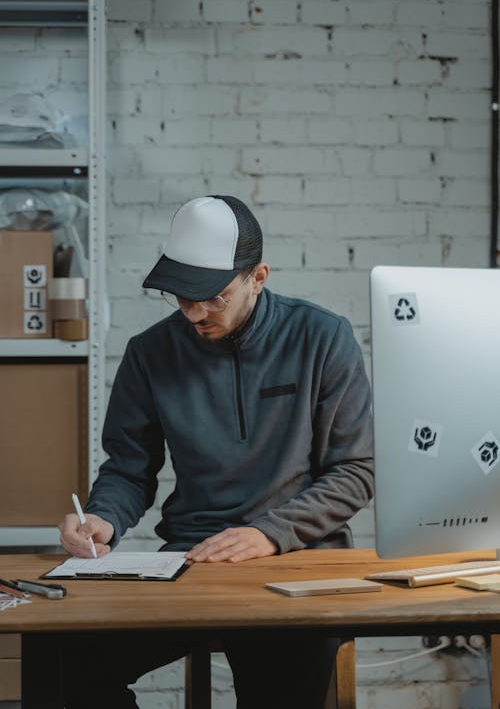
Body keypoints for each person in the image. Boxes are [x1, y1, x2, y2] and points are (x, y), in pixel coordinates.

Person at [58, 195, 374, 709]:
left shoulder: (322, 337)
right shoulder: (149, 353)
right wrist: (102, 517)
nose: (195, 312)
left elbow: (355, 470)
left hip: (297, 557)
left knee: (280, 679)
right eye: (181, 296)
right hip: (191, 559)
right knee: (72, 662)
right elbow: (129, 469)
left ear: (259, 276)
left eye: (214, 297)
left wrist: (268, 534)